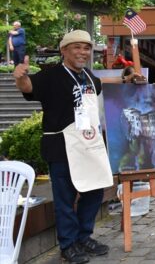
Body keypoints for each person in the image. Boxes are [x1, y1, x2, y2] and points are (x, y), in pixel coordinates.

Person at [13, 30, 113, 263]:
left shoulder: (89, 77)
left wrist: (129, 79)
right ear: (64, 51)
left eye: (86, 48)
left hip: (88, 145)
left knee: (94, 191)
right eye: (76, 47)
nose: (82, 52)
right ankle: (68, 244)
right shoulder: (50, 75)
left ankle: (84, 236)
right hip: (61, 146)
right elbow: (28, 87)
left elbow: (101, 90)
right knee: (65, 198)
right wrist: (19, 77)